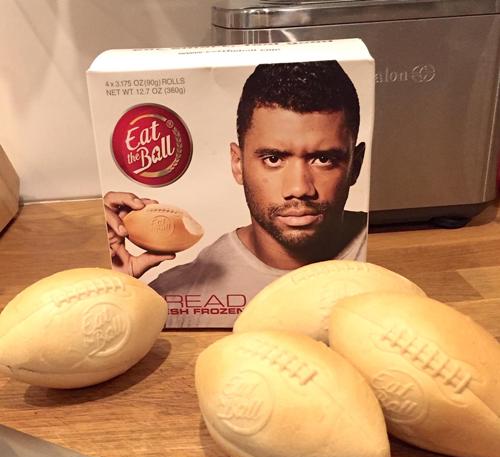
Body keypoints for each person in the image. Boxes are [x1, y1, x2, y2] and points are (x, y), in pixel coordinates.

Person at [105, 60, 367, 327]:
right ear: (238, 164)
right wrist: (116, 287)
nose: (299, 188)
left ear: (355, 165)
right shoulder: (181, 298)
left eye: (323, 159)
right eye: (273, 159)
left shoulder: (378, 263)